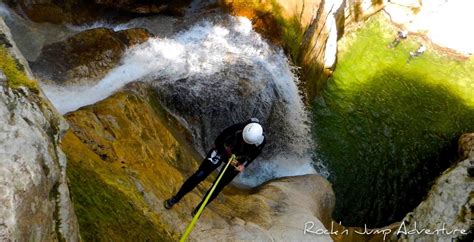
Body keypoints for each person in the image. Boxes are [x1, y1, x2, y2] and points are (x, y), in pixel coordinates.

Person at [164, 118, 266, 216]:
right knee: (200, 175)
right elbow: (219, 140)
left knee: (218, 186)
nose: (244, 141)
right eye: (244, 139)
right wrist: (228, 154)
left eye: (246, 141)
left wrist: (242, 165)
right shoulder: (239, 128)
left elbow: (252, 156)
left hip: (238, 159)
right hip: (224, 149)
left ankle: (200, 208)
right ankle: (176, 198)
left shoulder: (260, 142)